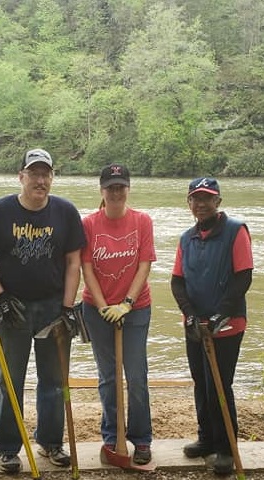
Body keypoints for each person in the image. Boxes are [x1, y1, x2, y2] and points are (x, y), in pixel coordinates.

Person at [0, 148, 86, 473]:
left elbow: (73, 262)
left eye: (46, 174)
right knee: (9, 379)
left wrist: (68, 307)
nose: (40, 180)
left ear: (52, 177)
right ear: (21, 176)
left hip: (53, 305)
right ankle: (9, 448)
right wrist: (0, 296)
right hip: (13, 307)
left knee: (54, 380)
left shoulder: (65, 212)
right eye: (34, 173)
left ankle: (51, 442)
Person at [170, 177, 253, 475]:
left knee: (220, 384)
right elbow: (177, 282)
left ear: (218, 201)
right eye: (195, 198)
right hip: (195, 325)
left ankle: (226, 447)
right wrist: (190, 315)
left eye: (207, 198)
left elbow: (243, 276)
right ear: (189, 202)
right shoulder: (187, 238)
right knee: (200, 382)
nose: (201, 204)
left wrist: (221, 314)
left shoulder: (235, 231)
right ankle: (206, 438)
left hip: (227, 325)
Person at [81, 164, 156, 464]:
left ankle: (141, 438)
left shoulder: (142, 221)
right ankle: (113, 437)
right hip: (96, 309)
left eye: (120, 186)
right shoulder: (88, 224)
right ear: (101, 190)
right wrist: (102, 307)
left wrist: (126, 302)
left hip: (136, 309)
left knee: (136, 376)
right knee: (108, 377)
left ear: (128, 189)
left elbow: (144, 264)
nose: (116, 192)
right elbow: (86, 267)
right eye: (110, 187)